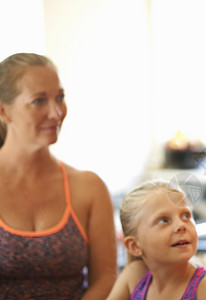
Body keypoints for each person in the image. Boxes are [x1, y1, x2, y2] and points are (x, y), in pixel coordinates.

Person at [0, 53, 117, 299]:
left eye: (60, 98)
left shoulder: (89, 187)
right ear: (4, 111)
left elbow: (106, 278)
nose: (56, 112)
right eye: (39, 100)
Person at [106, 179, 206, 300]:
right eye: (163, 220)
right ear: (135, 246)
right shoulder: (135, 275)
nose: (181, 225)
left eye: (186, 215)